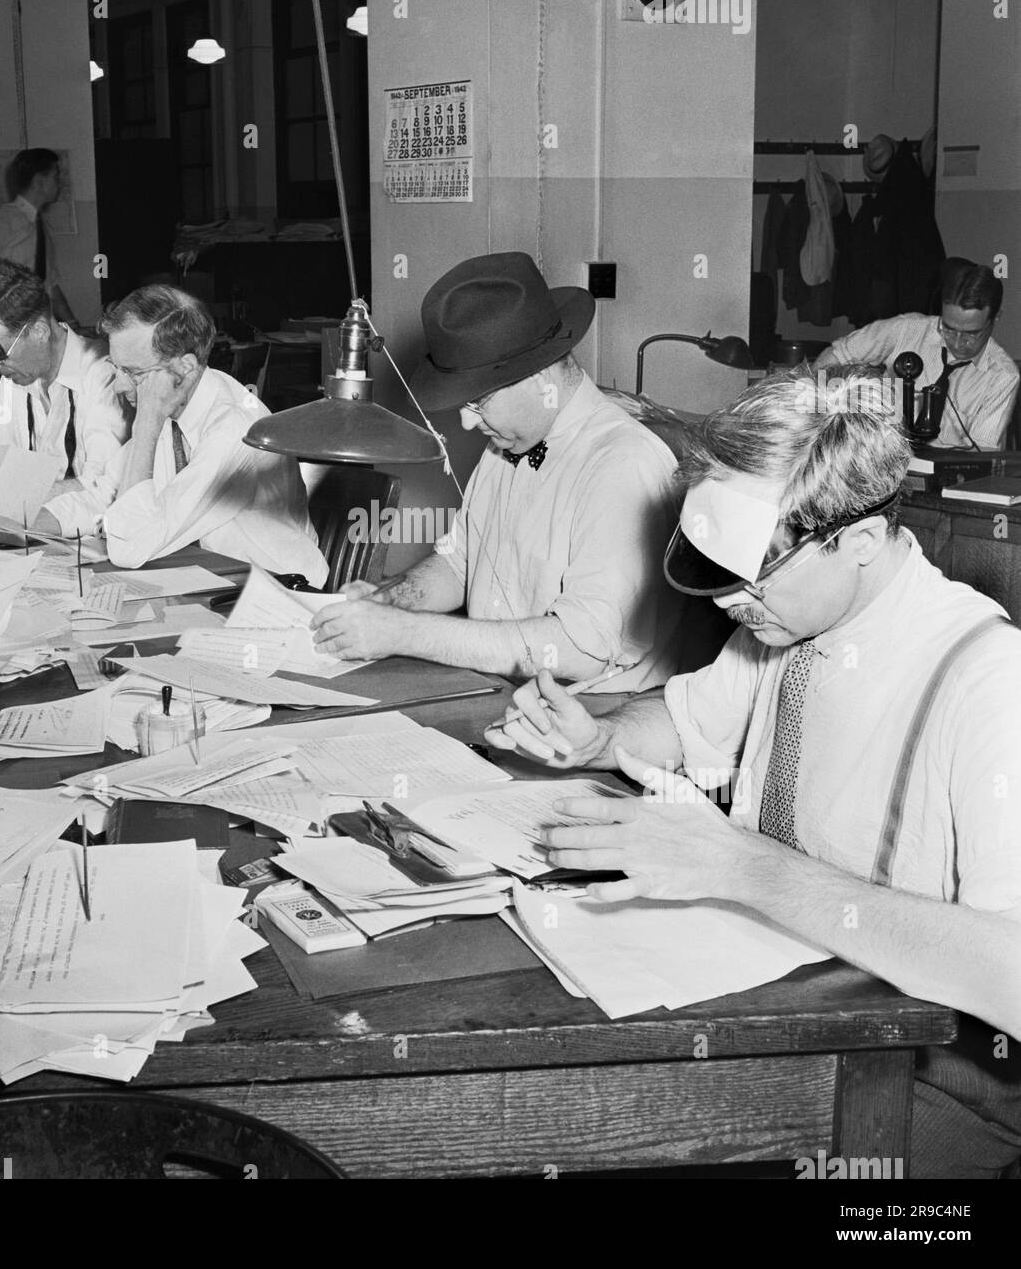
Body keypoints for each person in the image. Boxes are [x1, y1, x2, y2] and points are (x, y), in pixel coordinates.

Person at [486, 370, 1021, 1179]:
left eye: (752, 576)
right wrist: (597, 739)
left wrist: (739, 867)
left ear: (862, 542)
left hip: (929, 1083)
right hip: (781, 1010)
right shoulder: (785, 621)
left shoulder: (988, 681)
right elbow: (685, 720)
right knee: (540, 1124)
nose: (730, 603)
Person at [311, 252, 685, 686]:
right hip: (502, 693)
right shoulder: (504, 447)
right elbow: (457, 566)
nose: (468, 422)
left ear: (539, 377)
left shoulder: (623, 465)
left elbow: (580, 651)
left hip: (591, 716)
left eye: (478, 402)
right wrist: (388, 601)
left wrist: (402, 633)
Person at [98, 284, 327, 583]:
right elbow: (105, 492)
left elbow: (128, 548)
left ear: (186, 366)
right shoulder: (177, 403)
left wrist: (145, 429)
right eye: (115, 369)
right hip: (216, 578)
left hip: (279, 594)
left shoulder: (235, 428)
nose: (120, 387)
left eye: (134, 373)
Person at [0, 259, 129, 536]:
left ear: (39, 331)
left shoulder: (106, 375)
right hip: (34, 538)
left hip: (93, 544)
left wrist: (8, 499)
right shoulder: (19, 375)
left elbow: (104, 488)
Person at [814, 258, 1016, 448]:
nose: (957, 342)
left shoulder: (1002, 376)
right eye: (948, 328)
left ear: (996, 318)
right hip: (879, 458)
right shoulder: (906, 329)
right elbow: (833, 358)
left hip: (947, 476)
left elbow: (981, 458)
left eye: (971, 334)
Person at [0, 149, 78, 327]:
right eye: (55, 177)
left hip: (34, 325)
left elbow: (50, 286)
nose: (60, 183)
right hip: (4, 324)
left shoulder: (41, 227)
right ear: (39, 181)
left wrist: (74, 326)